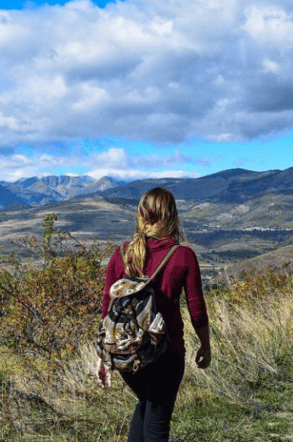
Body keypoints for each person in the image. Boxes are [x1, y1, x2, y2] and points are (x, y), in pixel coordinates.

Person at [97, 187, 211, 442]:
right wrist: (205, 345)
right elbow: (197, 309)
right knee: (156, 425)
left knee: (146, 408)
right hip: (166, 352)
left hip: (127, 352)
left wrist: (104, 355)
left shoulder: (121, 252)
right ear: (172, 215)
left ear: (140, 215)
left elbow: (107, 306)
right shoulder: (182, 255)